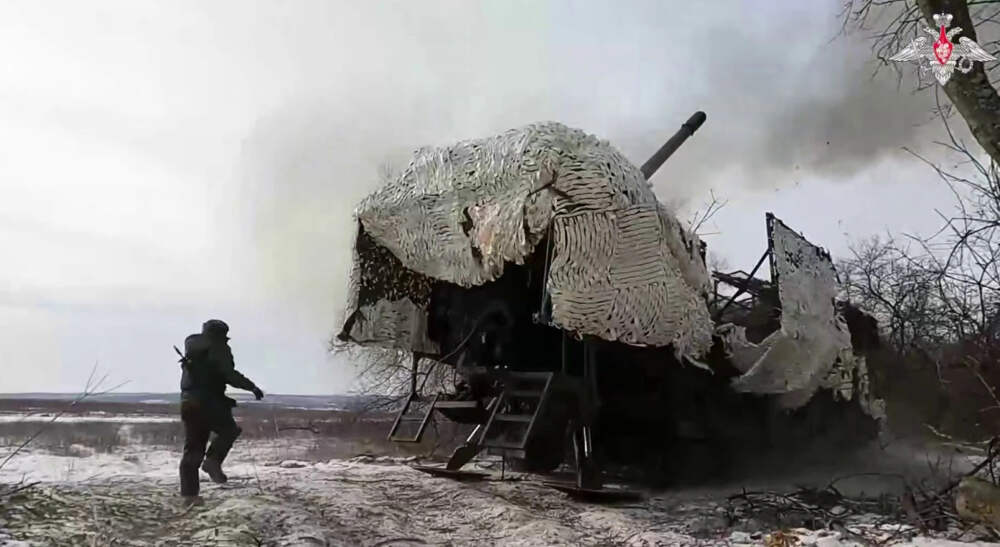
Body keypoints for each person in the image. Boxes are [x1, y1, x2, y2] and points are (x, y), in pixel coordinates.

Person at [178, 319, 264, 505]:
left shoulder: (192, 348)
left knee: (193, 449)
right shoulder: (218, 347)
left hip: (188, 403)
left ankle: (189, 496)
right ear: (221, 334)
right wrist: (252, 387)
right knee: (229, 430)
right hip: (210, 402)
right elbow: (229, 374)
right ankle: (213, 461)